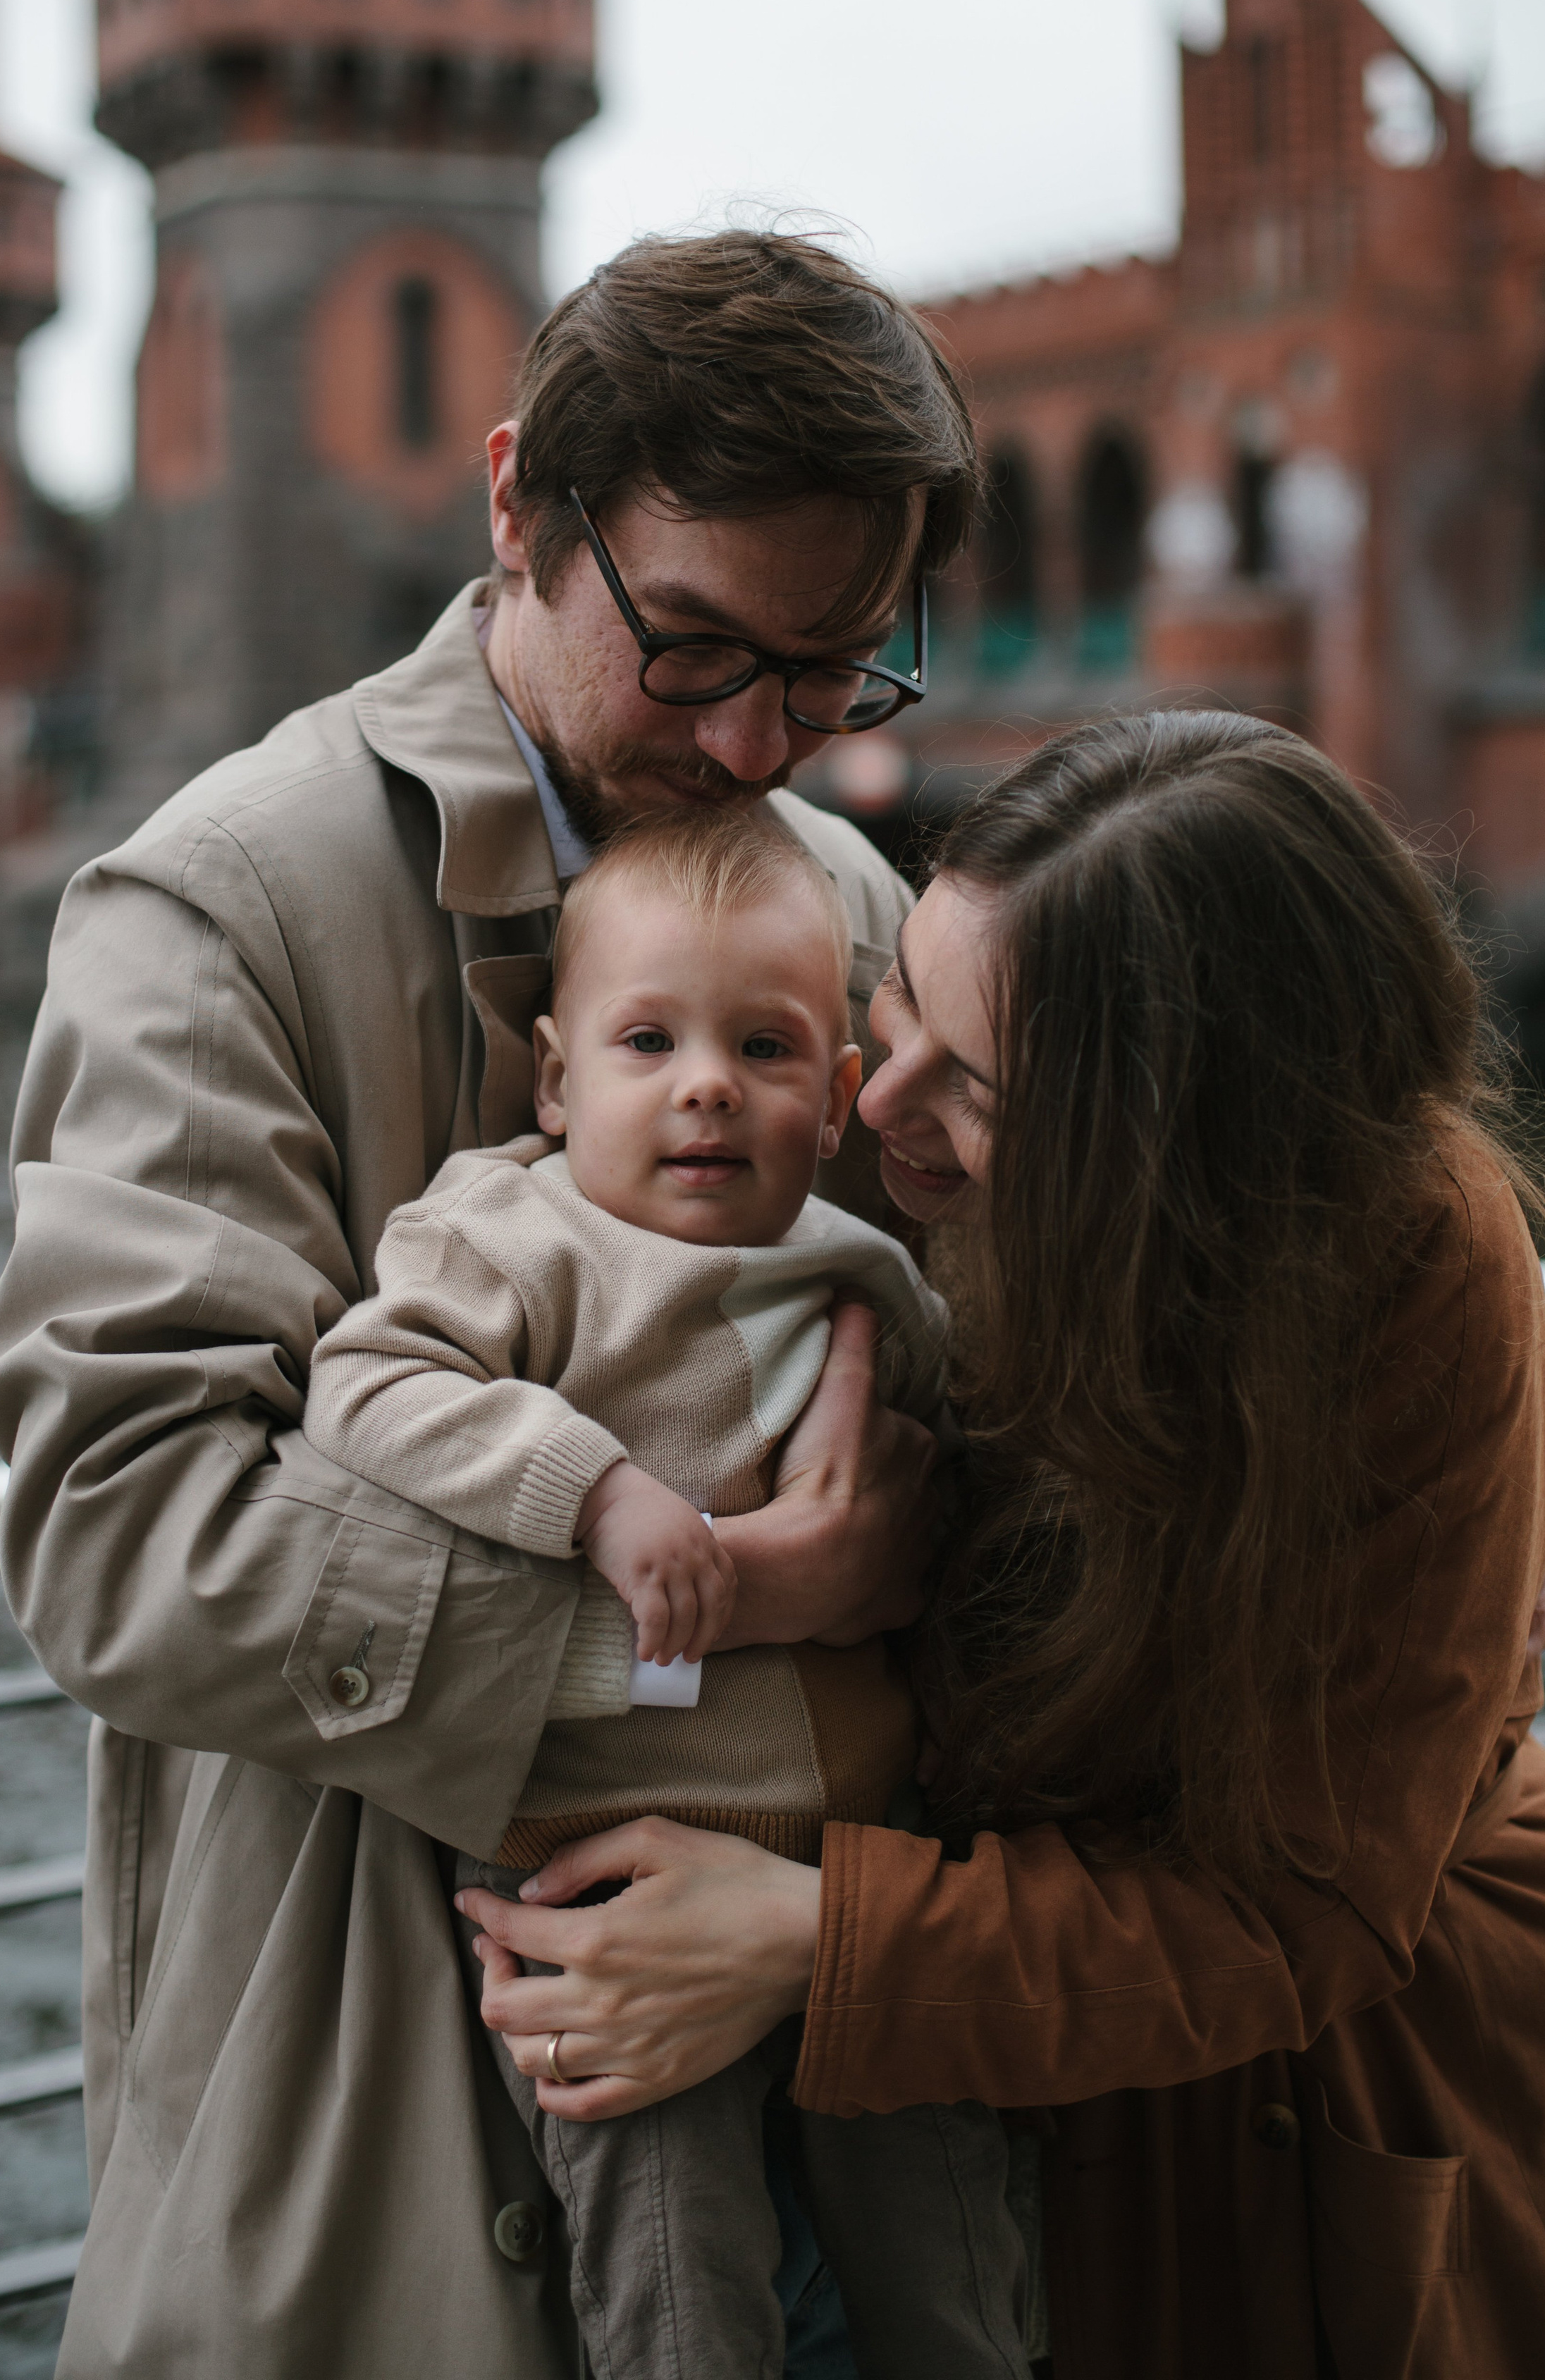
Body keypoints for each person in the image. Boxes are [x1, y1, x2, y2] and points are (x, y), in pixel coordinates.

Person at [0, 228, 979, 2379]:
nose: (753, 747)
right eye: (694, 648)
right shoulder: (214, 907)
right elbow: (120, 1533)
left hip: (847, 2093)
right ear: (519, 503)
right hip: (369, 2160)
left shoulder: (862, 901)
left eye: (834, 675)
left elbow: (1011, 1406)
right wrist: (730, 1608)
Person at [456, 712, 1545, 2380]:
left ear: (1181, 1154)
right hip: (983, 2089)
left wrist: (800, 1938)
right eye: (903, 991)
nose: (881, 1099)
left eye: (986, 1091)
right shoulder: (804, 1086)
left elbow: (1298, 1906)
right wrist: (774, 1585)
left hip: (1326, 2106)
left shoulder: (1402, 1276)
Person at [302, 808, 1031, 2380]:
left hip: (864, 1864)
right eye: (648, 1040)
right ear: (559, 1079)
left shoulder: (860, 1273)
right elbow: (367, 1387)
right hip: (611, 1888)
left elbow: (969, 1469)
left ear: (835, 1101)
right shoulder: (512, 1233)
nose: (705, 1083)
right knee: (674, 2272)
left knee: (949, 2232)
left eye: (763, 1048)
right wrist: (596, 1491)